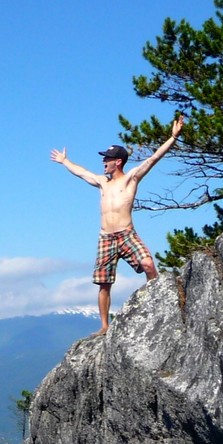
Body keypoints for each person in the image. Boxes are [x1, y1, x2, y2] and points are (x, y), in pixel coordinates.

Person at [50, 115, 182, 333]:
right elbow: (82, 173)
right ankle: (104, 326)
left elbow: (153, 159)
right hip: (106, 237)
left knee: (148, 264)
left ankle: (158, 303)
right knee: (104, 283)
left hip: (126, 234)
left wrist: (173, 138)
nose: (104, 162)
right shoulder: (102, 182)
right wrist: (65, 161)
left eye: (107, 159)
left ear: (117, 162)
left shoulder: (131, 179)